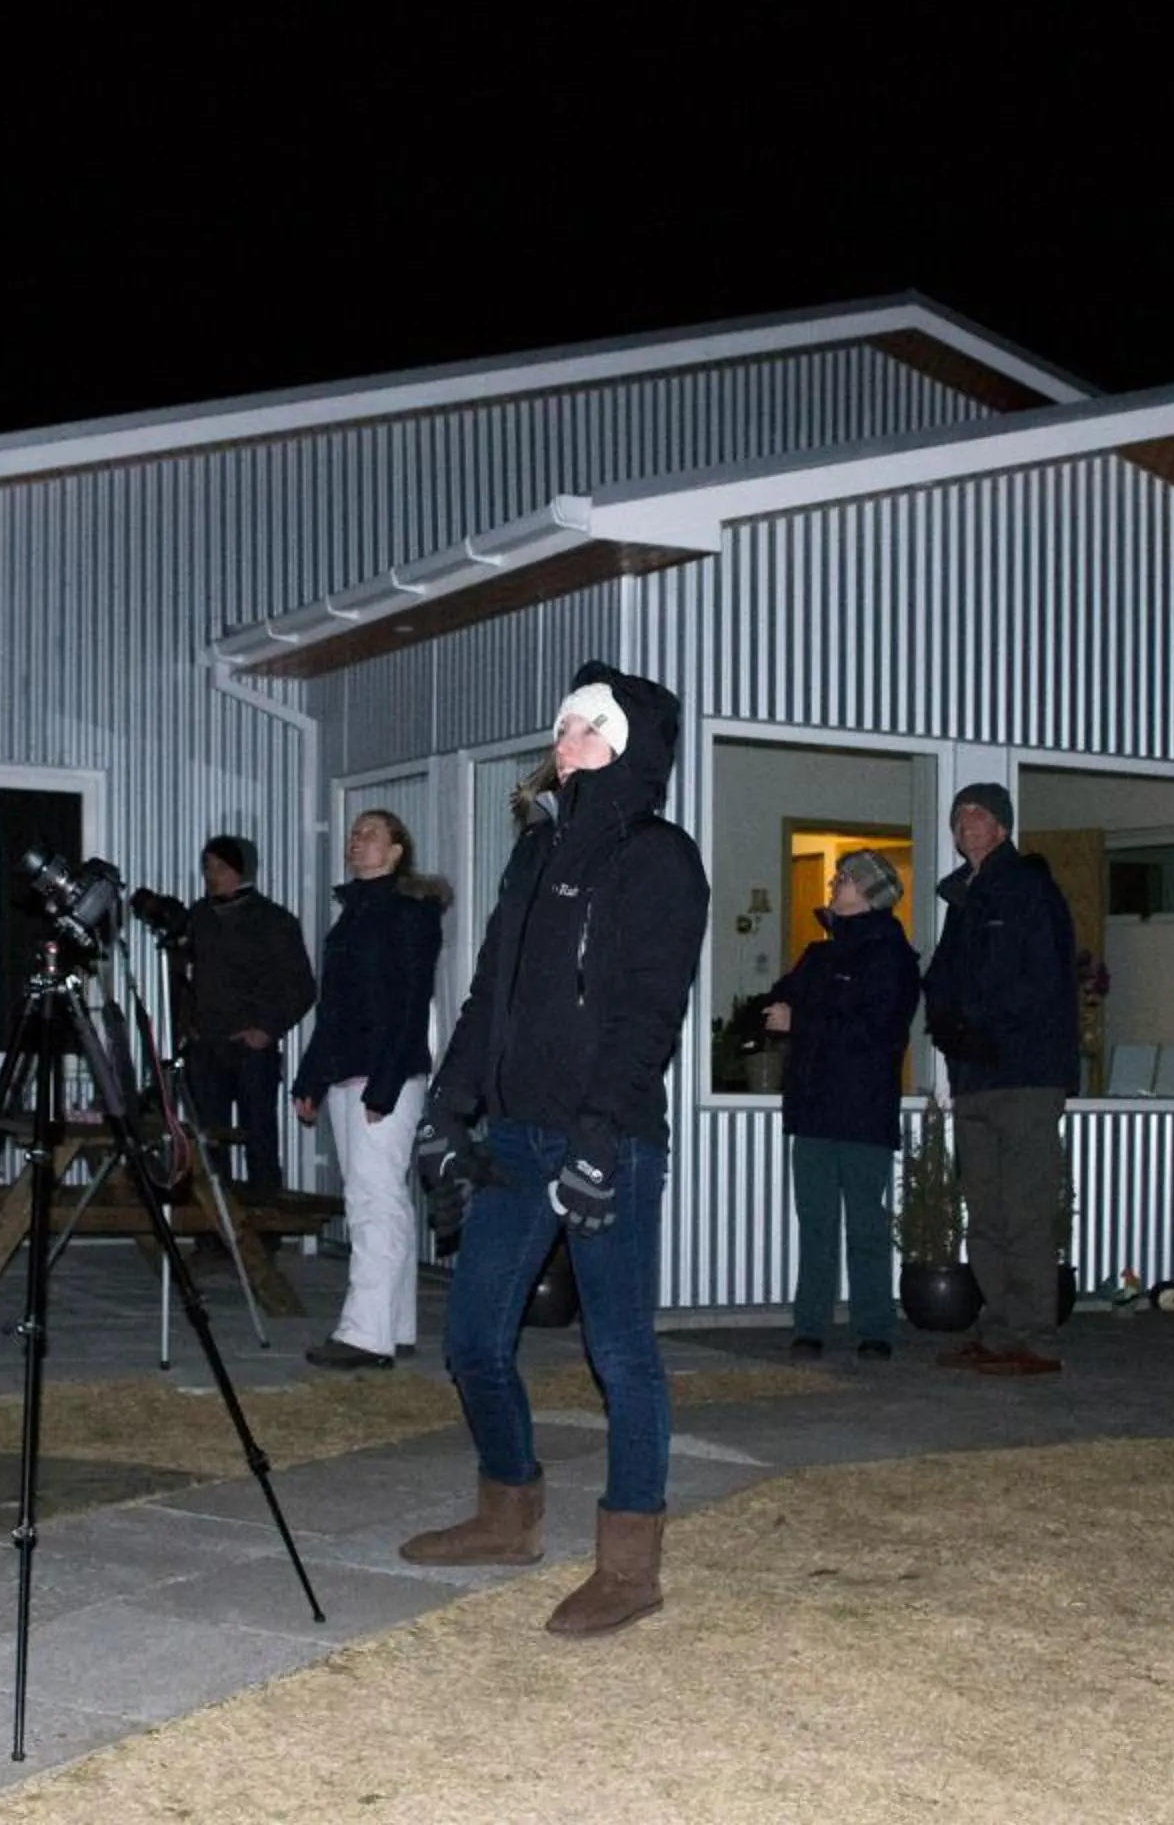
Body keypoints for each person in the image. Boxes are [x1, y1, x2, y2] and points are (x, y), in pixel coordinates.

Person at [400, 660, 708, 1639]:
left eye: (587, 721)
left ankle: (629, 1563)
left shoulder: (659, 856)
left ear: (627, 745)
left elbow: (649, 1011)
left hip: (601, 1140)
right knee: (473, 1336)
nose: (564, 732)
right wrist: (450, 1104)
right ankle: (508, 1512)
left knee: (619, 1352)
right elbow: (493, 986)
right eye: (565, 719)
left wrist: (600, 1126)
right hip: (517, 1138)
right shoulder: (534, 851)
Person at [919, 781, 1078, 1378]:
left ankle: (1036, 1335)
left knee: (1026, 1211)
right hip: (976, 1077)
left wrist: (982, 1024)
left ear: (1003, 828)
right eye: (958, 815)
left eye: (977, 815)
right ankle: (1000, 1329)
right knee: (984, 1211)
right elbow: (942, 978)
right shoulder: (966, 898)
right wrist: (949, 1027)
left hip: (1026, 1076)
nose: (964, 823)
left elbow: (1040, 980)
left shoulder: (1029, 888)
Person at [291, 810, 449, 1371]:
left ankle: (364, 1334)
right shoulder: (353, 915)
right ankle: (394, 1325)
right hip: (345, 1074)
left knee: (371, 1201)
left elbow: (410, 1004)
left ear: (397, 849)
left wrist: (383, 1087)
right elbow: (333, 1010)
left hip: (385, 1077)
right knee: (385, 1199)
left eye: (371, 835)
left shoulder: (410, 913)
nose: (357, 843)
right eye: (354, 835)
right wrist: (310, 1077)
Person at [762, 848, 920, 1363]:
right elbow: (779, 1000)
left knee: (866, 1226)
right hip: (812, 1107)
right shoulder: (820, 954)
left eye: (847, 877)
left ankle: (875, 1327)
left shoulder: (893, 959)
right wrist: (793, 1009)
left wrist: (803, 1019)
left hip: (861, 1109)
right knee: (816, 1222)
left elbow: (874, 1031)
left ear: (871, 893)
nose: (835, 882)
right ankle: (810, 1324)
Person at [170, 834, 315, 1200]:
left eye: (220, 866)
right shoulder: (197, 918)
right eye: (207, 866)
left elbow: (301, 986)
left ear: (241, 870)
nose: (210, 874)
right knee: (207, 1143)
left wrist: (266, 1029)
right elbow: (180, 977)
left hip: (252, 1050)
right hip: (206, 1049)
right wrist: (186, 1028)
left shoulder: (274, 920)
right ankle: (212, 1234)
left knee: (258, 1137)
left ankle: (263, 1232)